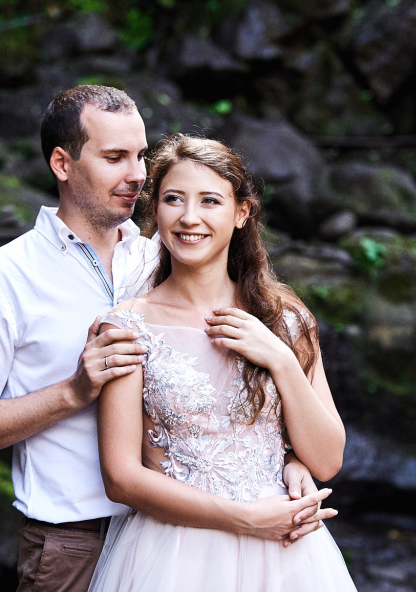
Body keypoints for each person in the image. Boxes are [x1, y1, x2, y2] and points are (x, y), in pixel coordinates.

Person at [0, 86, 333, 592]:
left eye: (141, 155)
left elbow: (229, 407)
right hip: (74, 541)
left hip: (194, 538)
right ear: (62, 163)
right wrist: (71, 392)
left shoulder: (166, 256)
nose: (137, 174)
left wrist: (286, 458)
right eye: (115, 157)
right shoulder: (1, 278)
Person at [88, 135, 357, 591]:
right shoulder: (128, 326)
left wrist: (280, 359)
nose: (189, 217)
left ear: (241, 212)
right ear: (156, 210)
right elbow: (121, 478)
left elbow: (328, 460)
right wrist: (245, 518)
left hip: (286, 555)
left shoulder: (285, 319)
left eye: (209, 201)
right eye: (174, 199)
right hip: (176, 555)